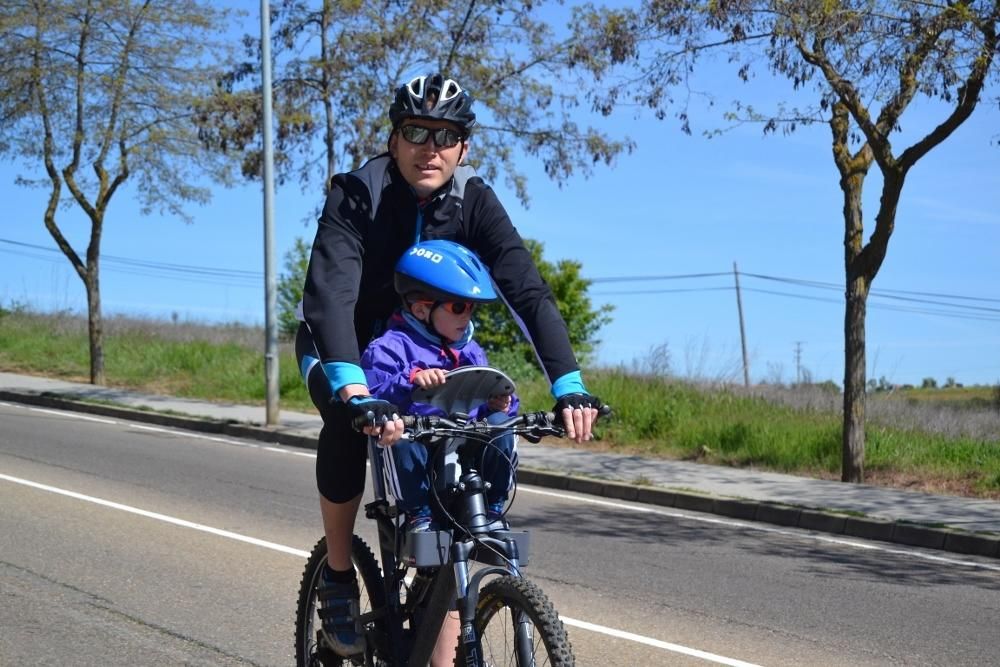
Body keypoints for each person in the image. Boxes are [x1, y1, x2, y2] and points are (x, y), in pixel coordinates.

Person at [295, 72, 601, 658]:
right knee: (343, 419)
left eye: (445, 135)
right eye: (415, 131)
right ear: (393, 138)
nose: (429, 147)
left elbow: (527, 292)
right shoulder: (357, 193)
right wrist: (357, 391)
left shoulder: (473, 199)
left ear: (463, 145)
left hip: (431, 355)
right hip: (348, 350)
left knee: (453, 502)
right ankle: (337, 573)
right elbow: (330, 296)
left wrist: (569, 386)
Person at [361, 239, 519, 534]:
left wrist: (498, 404)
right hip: (418, 450)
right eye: (458, 307)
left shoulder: (470, 350)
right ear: (421, 310)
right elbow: (370, 397)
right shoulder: (389, 347)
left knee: (501, 424)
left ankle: (495, 506)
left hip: (463, 450)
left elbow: (489, 394)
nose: (467, 315)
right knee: (400, 432)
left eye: (471, 308)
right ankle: (419, 515)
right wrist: (409, 379)